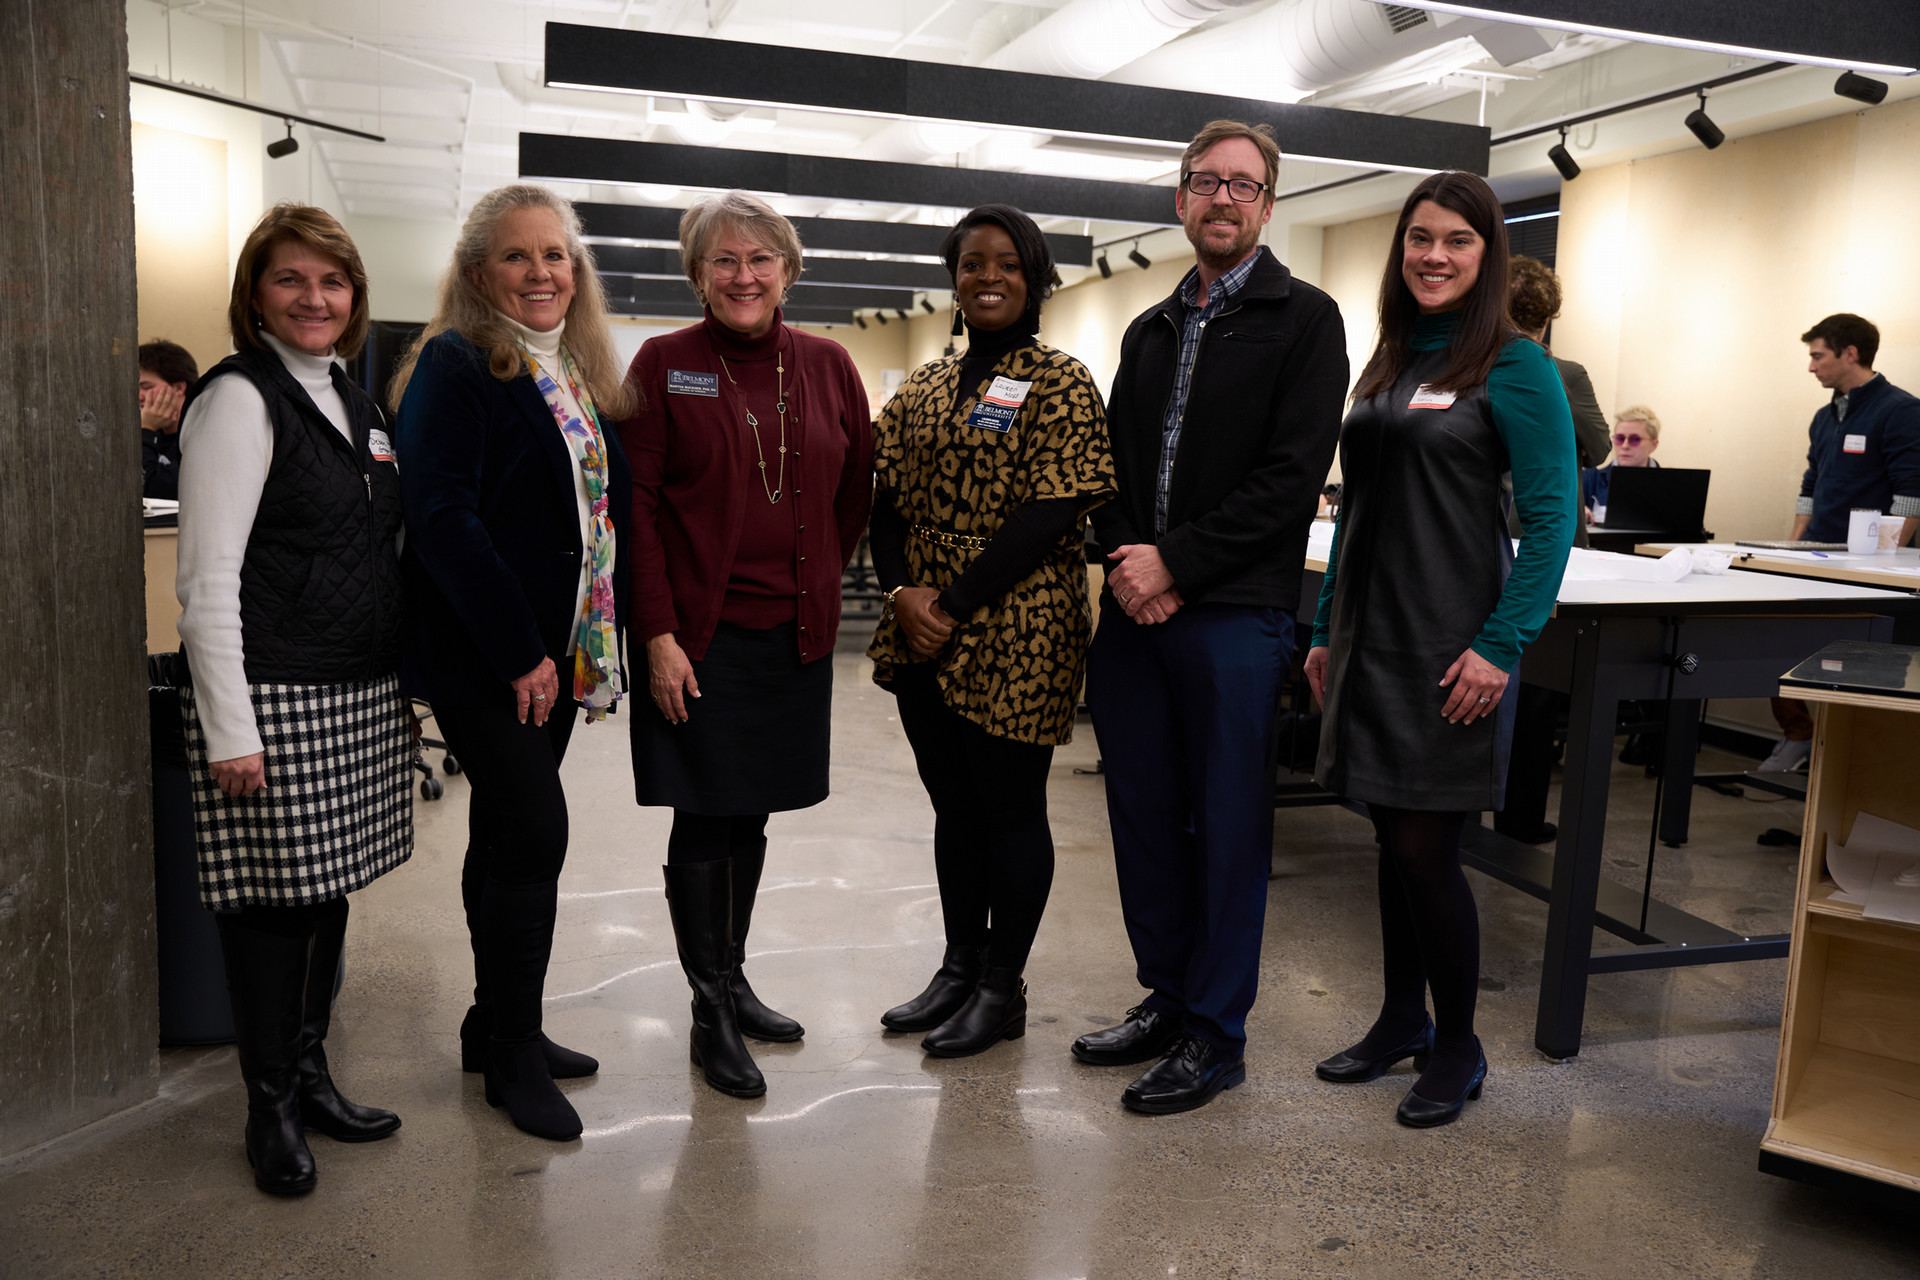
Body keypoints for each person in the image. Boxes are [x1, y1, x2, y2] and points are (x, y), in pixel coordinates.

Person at [1077, 120, 1348, 1115]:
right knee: (1144, 815)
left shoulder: (1307, 320)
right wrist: (1126, 558)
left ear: (1269, 204)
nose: (1222, 198)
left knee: (1226, 827)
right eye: (1206, 182)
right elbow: (1105, 468)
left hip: (1235, 617)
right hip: (1137, 618)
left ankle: (1216, 1032)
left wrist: (1175, 564)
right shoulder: (1149, 329)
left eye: (1244, 184)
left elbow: (1290, 481)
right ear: (1179, 199)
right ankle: (1168, 993)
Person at [1305, 171, 1576, 1129]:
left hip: (1450, 640)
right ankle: (1399, 1021)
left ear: (1488, 255)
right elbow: (1355, 507)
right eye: (1421, 237)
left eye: (1458, 240)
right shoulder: (1390, 357)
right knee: (1390, 835)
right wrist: (1326, 628)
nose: (1434, 255)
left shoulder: (1514, 365)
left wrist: (1502, 646)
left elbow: (1550, 526)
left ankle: (1458, 1045)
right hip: (1370, 640)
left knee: (1427, 848)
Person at [174, 204, 410, 1195]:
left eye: (334, 281)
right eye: (291, 280)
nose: (316, 298)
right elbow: (207, 575)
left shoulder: (354, 397)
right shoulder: (239, 398)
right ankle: (267, 1101)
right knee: (273, 905)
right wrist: (231, 724)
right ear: (255, 294)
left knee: (325, 890)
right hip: (272, 691)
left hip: (353, 686)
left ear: (355, 297)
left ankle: (311, 1071)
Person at [391, 184, 635, 1141]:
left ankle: (492, 1026)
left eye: (557, 256)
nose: (543, 273)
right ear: (478, 273)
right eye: (518, 257)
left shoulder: (571, 367)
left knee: (502, 831)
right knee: (535, 834)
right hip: (490, 654)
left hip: (560, 650)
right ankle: (515, 1057)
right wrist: (519, 651)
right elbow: (443, 520)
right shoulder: (458, 364)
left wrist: (571, 647)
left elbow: (589, 515)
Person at [619, 191, 872, 1099]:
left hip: (792, 637)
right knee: (706, 813)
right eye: (723, 260)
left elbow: (856, 488)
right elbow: (635, 512)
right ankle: (707, 1012)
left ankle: (730, 977)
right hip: (699, 641)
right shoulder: (662, 365)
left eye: (761, 259)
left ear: (789, 271)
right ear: (697, 275)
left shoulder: (831, 364)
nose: (743, 275)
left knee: (754, 811)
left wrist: (819, 581)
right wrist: (655, 633)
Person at [868, 204, 1114, 1058]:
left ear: (1036, 276)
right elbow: (885, 501)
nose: (988, 277)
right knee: (952, 805)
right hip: (922, 619)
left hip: (1021, 622)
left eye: (1007, 263)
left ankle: (1002, 987)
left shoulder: (1061, 380)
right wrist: (903, 590)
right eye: (972, 263)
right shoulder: (928, 384)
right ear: (954, 277)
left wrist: (951, 603)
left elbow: (1052, 510)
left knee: (1009, 810)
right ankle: (959, 964)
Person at [1766, 314, 1920, 772]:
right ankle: (1799, 735)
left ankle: (1841, 762)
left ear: (1850, 353)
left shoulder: (1900, 411)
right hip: (1816, 556)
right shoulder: (1824, 415)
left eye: (1818, 355)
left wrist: (1883, 566)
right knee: (1775, 641)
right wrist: (1788, 550)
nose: (1811, 367)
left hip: (1865, 570)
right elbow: (1810, 487)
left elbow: (1910, 492)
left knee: (1850, 665)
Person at [1505, 256, 1606, 547]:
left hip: (1477, 540)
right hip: (1556, 538)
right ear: (1546, 320)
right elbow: (1598, 450)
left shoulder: (1462, 372)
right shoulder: (1566, 376)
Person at [1581, 406, 1663, 521]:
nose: (1625, 446)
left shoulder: (1672, 486)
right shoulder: (1589, 479)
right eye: (1619, 438)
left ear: (1653, 445)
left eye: (1635, 439)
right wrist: (1577, 512)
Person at [139, 339, 197, 500]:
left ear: (179, 388)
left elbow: (151, 489)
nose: (139, 396)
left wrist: (146, 430)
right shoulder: (149, 431)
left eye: (147, 387)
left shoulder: (200, 436)